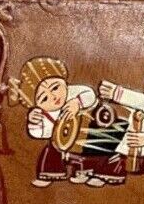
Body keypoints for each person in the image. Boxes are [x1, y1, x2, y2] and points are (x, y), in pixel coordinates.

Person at [10, 57, 96, 187]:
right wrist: (34, 122)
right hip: (62, 140)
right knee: (52, 150)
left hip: (84, 130)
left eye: (55, 88)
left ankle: (84, 171)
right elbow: (39, 133)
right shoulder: (44, 114)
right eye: (44, 98)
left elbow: (90, 94)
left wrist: (77, 102)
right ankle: (49, 174)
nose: (54, 97)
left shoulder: (73, 92)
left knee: (88, 149)